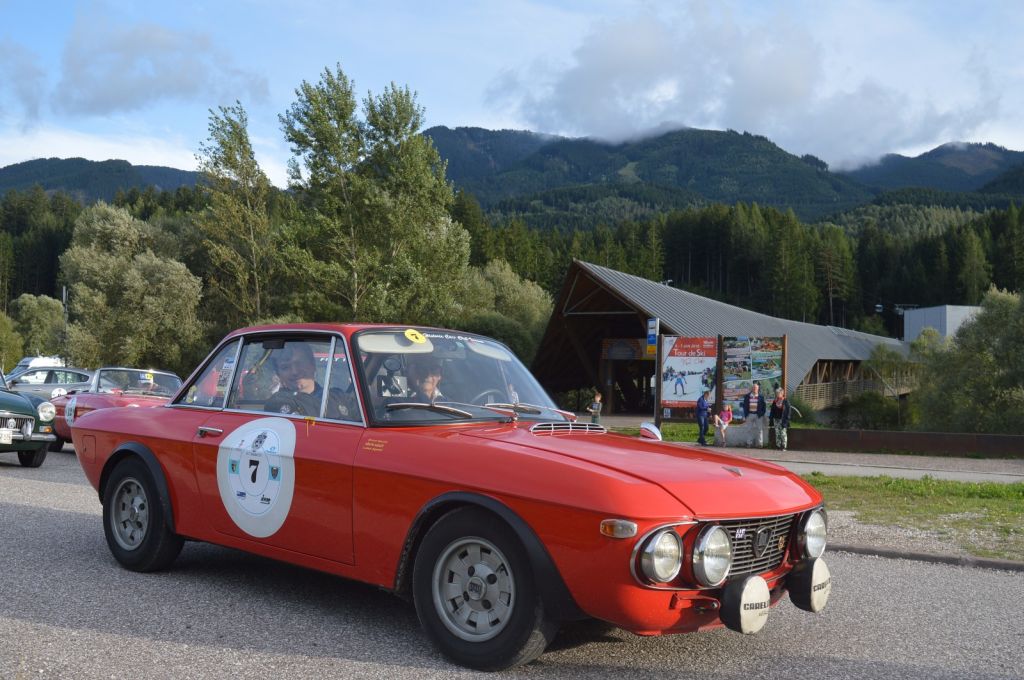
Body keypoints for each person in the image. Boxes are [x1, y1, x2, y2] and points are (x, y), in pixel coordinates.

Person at [265, 343, 354, 419]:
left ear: (313, 365)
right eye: (285, 367)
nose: (294, 371)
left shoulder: (338, 397)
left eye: (299, 363)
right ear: (279, 374)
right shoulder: (277, 403)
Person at [742, 382, 767, 447]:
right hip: (749, 414)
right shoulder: (747, 396)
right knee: (749, 430)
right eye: (753, 388)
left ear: (758, 389)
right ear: (751, 389)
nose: (754, 389)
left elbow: (764, 406)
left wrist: (761, 413)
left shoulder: (761, 397)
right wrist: (746, 414)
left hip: (758, 415)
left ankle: (760, 444)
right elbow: (744, 406)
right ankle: (749, 443)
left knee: (759, 430)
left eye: (756, 388)